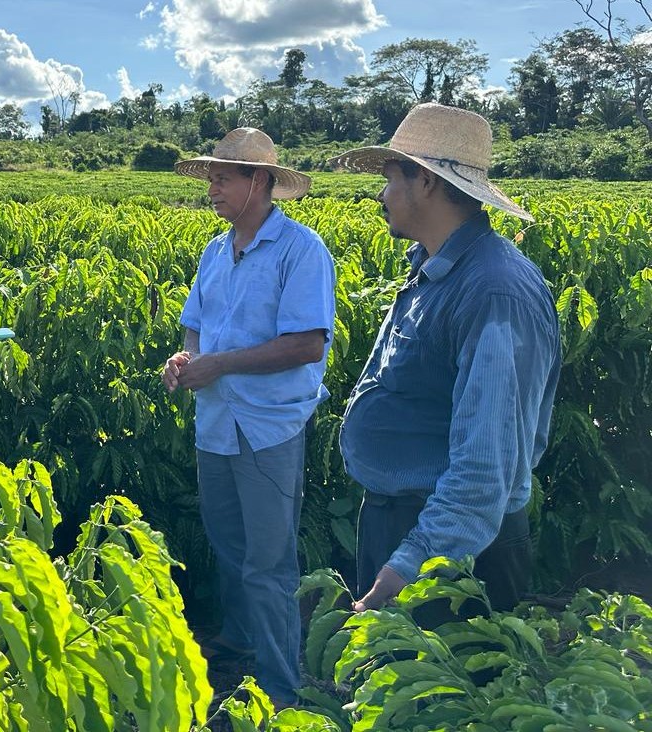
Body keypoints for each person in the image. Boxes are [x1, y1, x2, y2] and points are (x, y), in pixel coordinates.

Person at [331, 103, 561, 613]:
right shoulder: (434, 267)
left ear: (427, 181)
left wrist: (409, 564)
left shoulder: (494, 291)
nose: (381, 195)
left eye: (390, 179)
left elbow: (485, 468)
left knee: (443, 668)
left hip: (451, 549)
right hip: (405, 522)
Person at [162, 128, 336, 706]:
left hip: (268, 426)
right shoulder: (216, 252)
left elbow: (307, 343)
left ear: (258, 181)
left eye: (222, 179)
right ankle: (239, 641)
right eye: (211, 179)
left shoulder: (300, 250)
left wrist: (221, 365)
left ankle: (282, 687)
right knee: (229, 543)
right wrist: (187, 358)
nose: (211, 190)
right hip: (216, 422)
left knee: (268, 561)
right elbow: (195, 324)